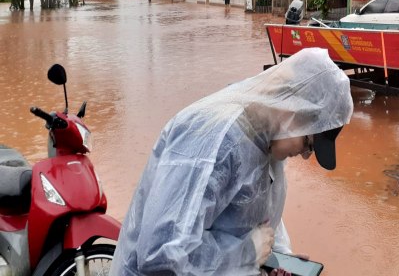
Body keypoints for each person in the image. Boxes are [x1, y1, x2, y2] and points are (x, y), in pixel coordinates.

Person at [110, 48, 353, 276]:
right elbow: (160, 253)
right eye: (308, 143)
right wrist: (247, 254)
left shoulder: (269, 142)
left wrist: (277, 256)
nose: (306, 155)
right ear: (293, 110)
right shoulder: (211, 140)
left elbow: (260, 216)